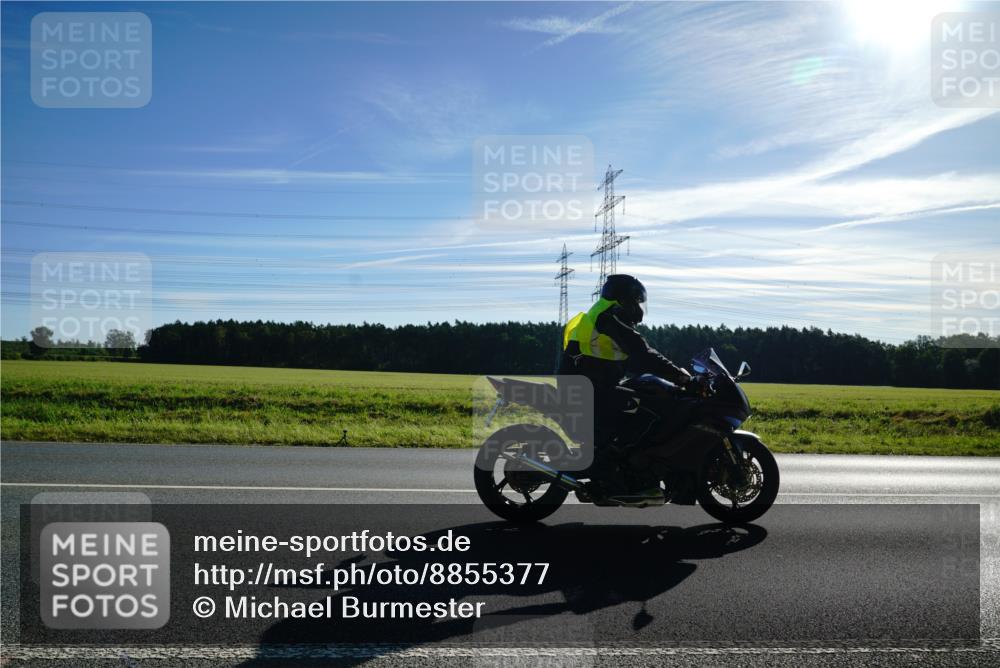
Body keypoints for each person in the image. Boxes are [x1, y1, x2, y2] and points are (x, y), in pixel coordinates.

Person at [558, 274, 692, 502]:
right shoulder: (608, 316)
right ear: (624, 299)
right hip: (587, 388)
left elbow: (632, 359)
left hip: (592, 385)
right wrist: (680, 376)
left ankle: (623, 470)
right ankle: (609, 475)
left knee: (642, 397)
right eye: (636, 301)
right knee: (644, 409)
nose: (639, 308)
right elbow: (642, 351)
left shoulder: (605, 316)